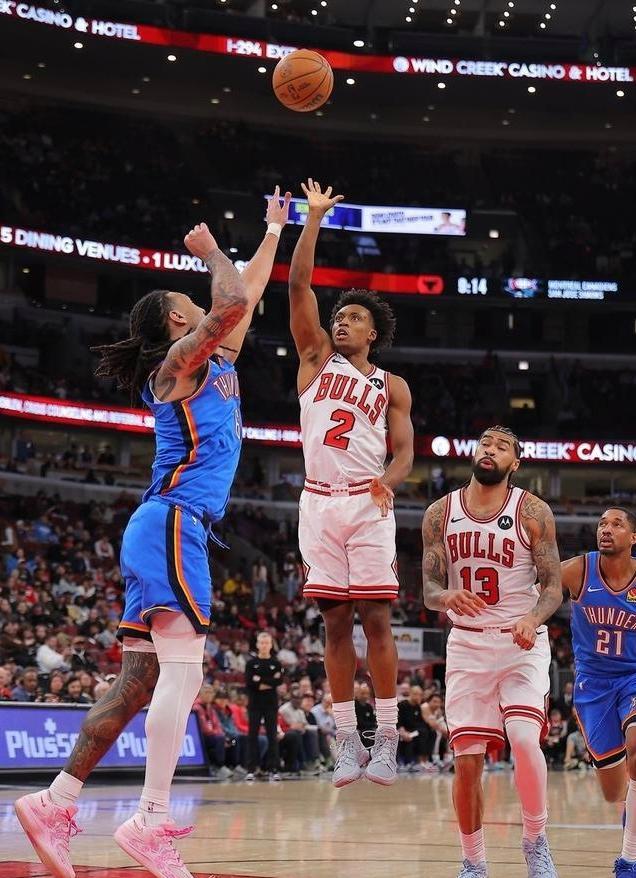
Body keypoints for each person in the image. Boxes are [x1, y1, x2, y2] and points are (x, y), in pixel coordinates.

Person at [15, 189, 291, 878]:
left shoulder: (213, 360)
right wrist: (212, 252)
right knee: (184, 673)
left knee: (138, 683)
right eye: (192, 302)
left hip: (159, 527)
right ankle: (151, 818)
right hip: (174, 523)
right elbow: (232, 299)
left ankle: (55, 801)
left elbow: (245, 295)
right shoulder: (178, 366)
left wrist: (273, 230)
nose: (206, 304)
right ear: (178, 319)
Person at [288, 178, 414, 788]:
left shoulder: (392, 385)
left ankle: (386, 739)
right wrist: (313, 218)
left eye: (355, 317)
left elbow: (405, 452)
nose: (342, 322)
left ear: (373, 333)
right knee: (334, 625)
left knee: (377, 622)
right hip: (317, 502)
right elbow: (299, 286)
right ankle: (346, 740)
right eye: (339, 316)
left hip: (367, 501)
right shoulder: (314, 358)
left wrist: (388, 481)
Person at [422, 426, 563, 878]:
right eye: (485, 443)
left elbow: (554, 587)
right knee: (466, 764)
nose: (491, 450)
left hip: (520, 641)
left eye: (502, 447)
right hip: (467, 643)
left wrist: (532, 619)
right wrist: (445, 597)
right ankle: (473, 862)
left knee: (523, 738)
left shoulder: (533, 511)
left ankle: (535, 839)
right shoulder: (439, 512)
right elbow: (428, 588)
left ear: (514, 464)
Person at [562, 507, 636, 876]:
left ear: (633, 538)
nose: (606, 529)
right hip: (593, 686)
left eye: (616, 524)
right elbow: (537, 589)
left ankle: (629, 859)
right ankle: (631, 816)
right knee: (614, 791)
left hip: (633, 677)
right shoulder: (578, 570)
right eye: (602, 524)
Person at [244, 631, 282, 781]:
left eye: (267, 643)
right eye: (262, 642)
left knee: (272, 736)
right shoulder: (250, 664)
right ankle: (251, 769)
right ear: (257, 644)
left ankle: (273, 769)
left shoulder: (276, 663)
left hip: (271, 705)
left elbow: (278, 681)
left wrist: (260, 680)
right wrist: (269, 681)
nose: (264, 645)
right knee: (252, 736)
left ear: (271, 645)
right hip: (254, 704)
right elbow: (250, 682)